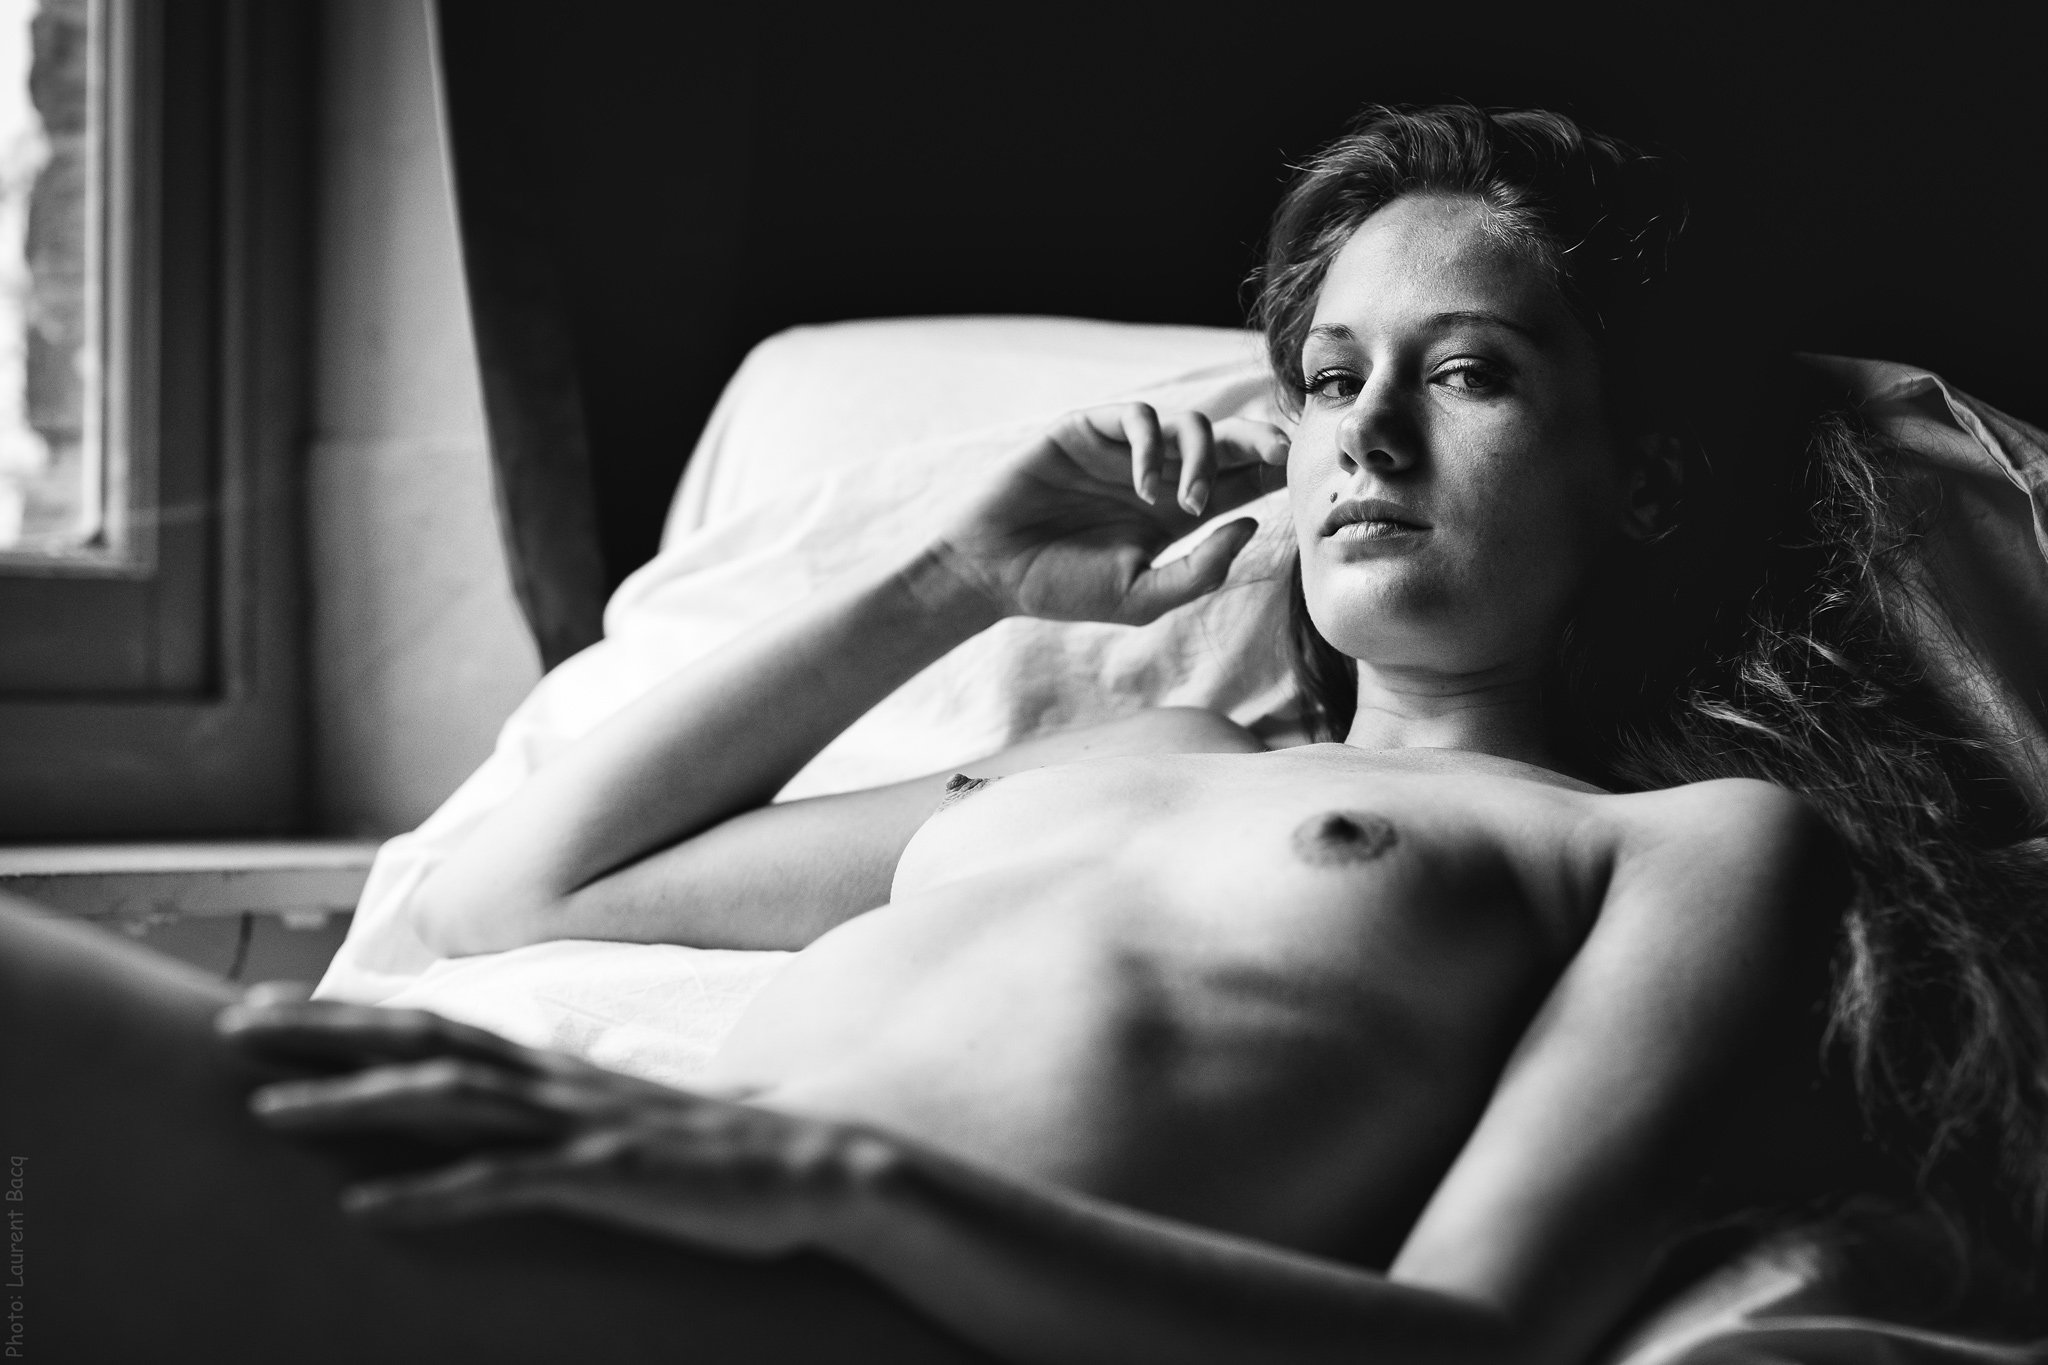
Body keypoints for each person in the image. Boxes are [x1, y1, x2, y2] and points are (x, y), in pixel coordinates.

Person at [7, 105, 2044, 1364]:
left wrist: (837, 1184)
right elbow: (510, 892)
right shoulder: (1114, 758)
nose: (1365, 432)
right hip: (581, 1234)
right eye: (1326, 376)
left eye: (1470, 373)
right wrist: (952, 575)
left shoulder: (1686, 846)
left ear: (1646, 479)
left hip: (829, 1301)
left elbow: (1460, 1339)